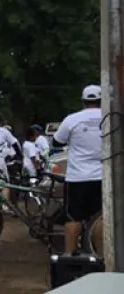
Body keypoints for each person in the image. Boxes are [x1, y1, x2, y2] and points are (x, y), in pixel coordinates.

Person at [53, 85, 103, 255]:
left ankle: (69, 258)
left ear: (83, 101)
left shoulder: (72, 119)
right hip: (103, 177)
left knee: (73, 218)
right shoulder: (109, 117)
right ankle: (102, 257)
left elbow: (57, 141)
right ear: (101, 100)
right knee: (100, 218)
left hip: (77, 178)